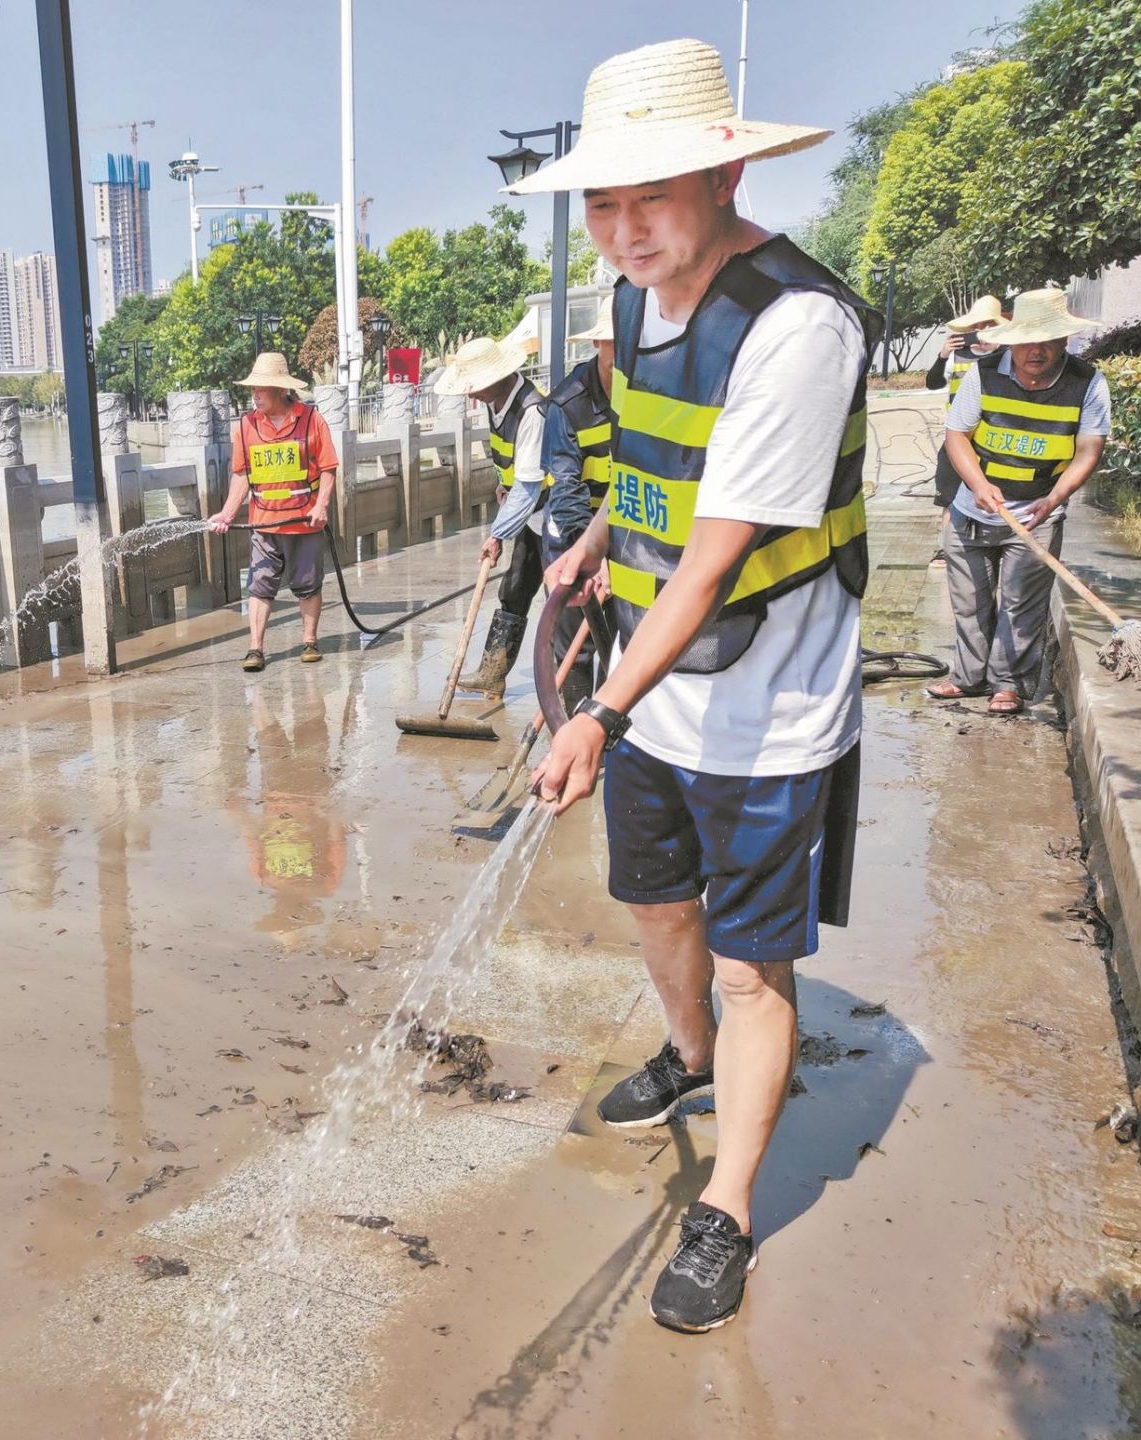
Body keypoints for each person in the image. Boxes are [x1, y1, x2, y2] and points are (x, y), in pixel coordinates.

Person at [523, 37, 878, 1334]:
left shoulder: (797, 327)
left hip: (769, 705)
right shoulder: (631, 300)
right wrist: (596, 540)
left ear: (727, 171)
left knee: (747, 966)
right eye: (601, 205)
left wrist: (599, 712)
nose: (623, 232)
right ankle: (687, 1066)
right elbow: (656, 473)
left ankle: (726, 1205)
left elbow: (722, 558)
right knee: (654, 904)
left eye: (649, 197)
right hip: (654, 684)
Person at [927, 288, 1108, 715]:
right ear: (1013, 340)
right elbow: (958, 436)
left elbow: (1088, 451)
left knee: (1020, 604)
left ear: (1065, 341)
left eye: (1048, 341)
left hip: (1037, 510)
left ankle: (1007, 684)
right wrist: (978, 485)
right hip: (974, 508)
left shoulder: (1087, 382)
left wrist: (1055, 497)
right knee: (970, 601)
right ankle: (967, 678)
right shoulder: (983, 373)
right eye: (1028, 340)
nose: (1037, 351)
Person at [209, 352, 341, 672]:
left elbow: (328, 468)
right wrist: (227, 513)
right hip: (264, 523)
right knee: (259, 585)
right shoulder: (246, 425)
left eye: (261, 388)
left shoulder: (311, 420)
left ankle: (310, 641)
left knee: (307, 584)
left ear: (281, 390)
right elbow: (242, 475)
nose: (254, 395)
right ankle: (255, 649)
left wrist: (322, 505)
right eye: (252, 389)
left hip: (303, 521)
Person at [433, 330, 548, 693]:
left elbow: (531, 486)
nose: (469, 392)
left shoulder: (533, 410)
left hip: (560, 516)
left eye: (475, 385)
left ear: (498, 377)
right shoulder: (493, 403)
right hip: (529, 515)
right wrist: (502, 483)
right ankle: (492, 674)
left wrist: (498, 534)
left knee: (568, 602)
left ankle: (577, 682)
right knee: (514, 590)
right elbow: (511, 465)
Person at [540, 312, 617, 707]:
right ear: (597, 345)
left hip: (626, 525)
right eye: (614, 345)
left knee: (622, 641)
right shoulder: (566, 404)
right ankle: (569, 726)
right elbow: (566, 489)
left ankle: (610, 738)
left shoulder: (647, 392)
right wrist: (591, 553)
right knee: (574, 640)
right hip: (573, 533)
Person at [925, 296, 1006, 513]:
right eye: (976, 326)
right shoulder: (958, 355)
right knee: (948, 499)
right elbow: (932, 383)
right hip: (958, 435)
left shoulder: (1009, 355)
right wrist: (943, 355)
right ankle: (946, 546)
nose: (981, 330)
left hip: (993, 439)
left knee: (990, 498)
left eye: (988, 325)